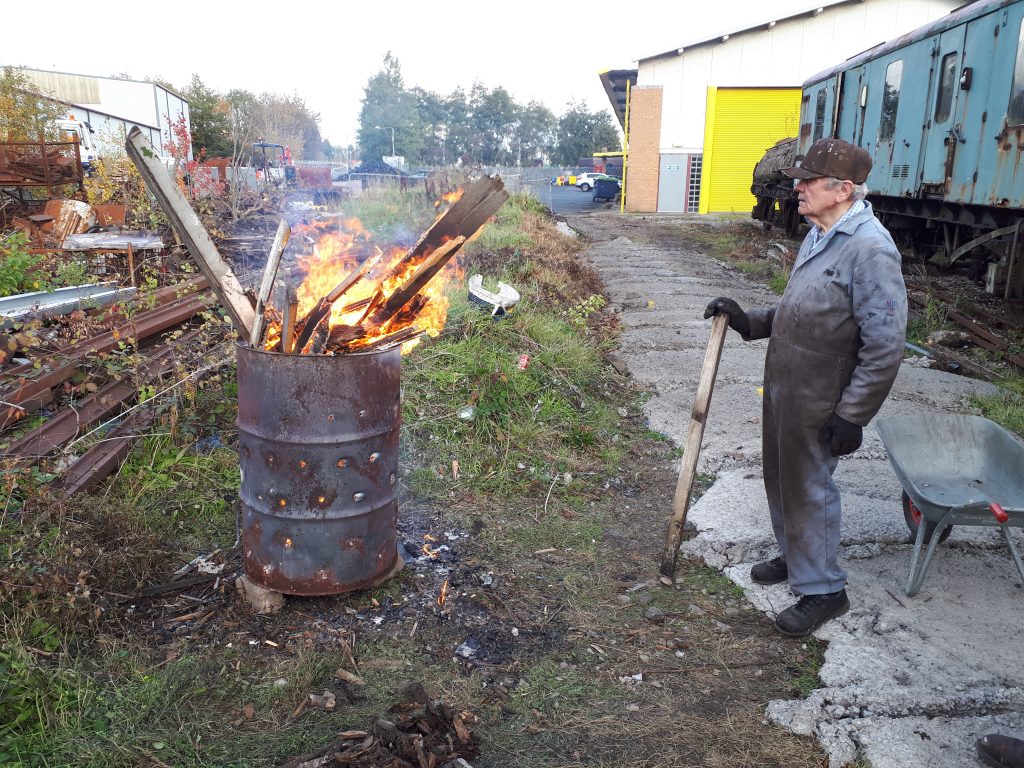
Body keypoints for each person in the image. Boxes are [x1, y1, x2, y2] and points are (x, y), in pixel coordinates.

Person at [705, 137, 907, 637]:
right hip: (785, 384)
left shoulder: (871, 249)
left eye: (808, 181)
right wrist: (747, 321)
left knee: (810, 488)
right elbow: (803, 311)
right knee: (782, 476)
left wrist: (853, 413)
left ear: (842, 189)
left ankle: (824, 591)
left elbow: (886, 343)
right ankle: (798, 558)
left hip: (823, 395)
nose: (797, 188)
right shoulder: (821, 234)